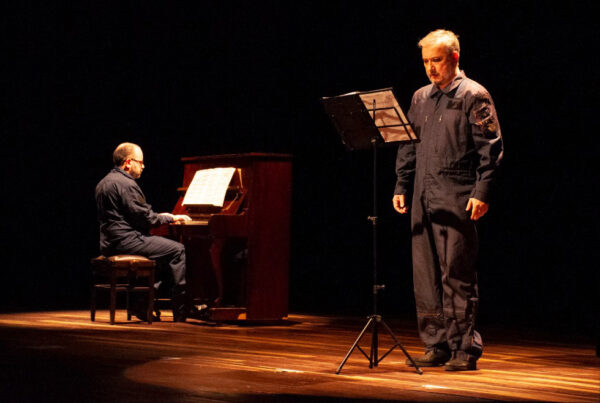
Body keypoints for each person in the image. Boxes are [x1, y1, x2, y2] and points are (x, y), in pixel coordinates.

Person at [393, 30, 503, 371]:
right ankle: (436, 343)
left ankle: (464, 347)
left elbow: (491, 147)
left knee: (456, 273)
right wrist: (401, 184)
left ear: (454, 58)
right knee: (424, 274)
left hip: (456, 193)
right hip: (422, 195)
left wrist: (481, 192)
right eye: (425, 61)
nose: (430, 68)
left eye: (436, 60)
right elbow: (408, 144)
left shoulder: (474, 95)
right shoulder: (420, 97)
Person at [95, 142, 199, 322]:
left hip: (109, 243)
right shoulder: (126, 184)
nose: (143, 166)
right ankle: (181, 309)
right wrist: (170, 218)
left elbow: (135, 214)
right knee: (177, 250)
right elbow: (146, 219)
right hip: (126, 241)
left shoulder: (104, 182)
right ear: (128, 163)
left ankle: (142, 304)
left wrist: (159, 215)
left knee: (160, 252)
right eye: (140, 162)